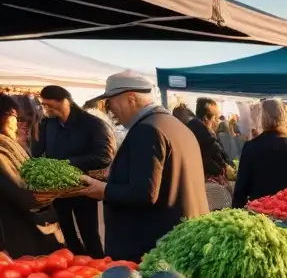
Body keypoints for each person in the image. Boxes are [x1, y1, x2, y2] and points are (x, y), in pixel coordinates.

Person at [79, 73, 208, 262]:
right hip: (179, 242)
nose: (109, 110)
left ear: (130, 98)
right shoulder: (175, 126)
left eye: (110, 102)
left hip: (152, 251)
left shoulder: (148, 130)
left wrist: (103, 190)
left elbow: (144, 193)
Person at [34, 85, 115, 257]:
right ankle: (75, 267)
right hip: (57, 191)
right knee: (66, 234)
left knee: (89, 234)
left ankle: (98, 267)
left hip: (84, 187)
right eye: (43, 105)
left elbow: (104, 157)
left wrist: (67, 163)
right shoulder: (47, 123)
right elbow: (39, 151)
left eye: (49, 105)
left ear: (66, 101)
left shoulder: (93, 124)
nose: (46, 109)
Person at [0, 96, 60, 257]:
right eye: (14, 116)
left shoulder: (9, 146)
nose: (17, 123)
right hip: (15, 232)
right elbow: (24, 194)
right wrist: (55, 190)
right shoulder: (2, 151)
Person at [232, 99, 287, 207]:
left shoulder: (251, 147)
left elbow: (241, 189)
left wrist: (236, 214)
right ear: (285, 118)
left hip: (260, 213)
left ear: (262, 119)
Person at [188, 97, 230, 183]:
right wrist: (224, 169)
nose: (217, 122)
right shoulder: (204, 134)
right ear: (207, 117)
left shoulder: (190, 128)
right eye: (216, 117)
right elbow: (214, 157)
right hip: (208, 181)